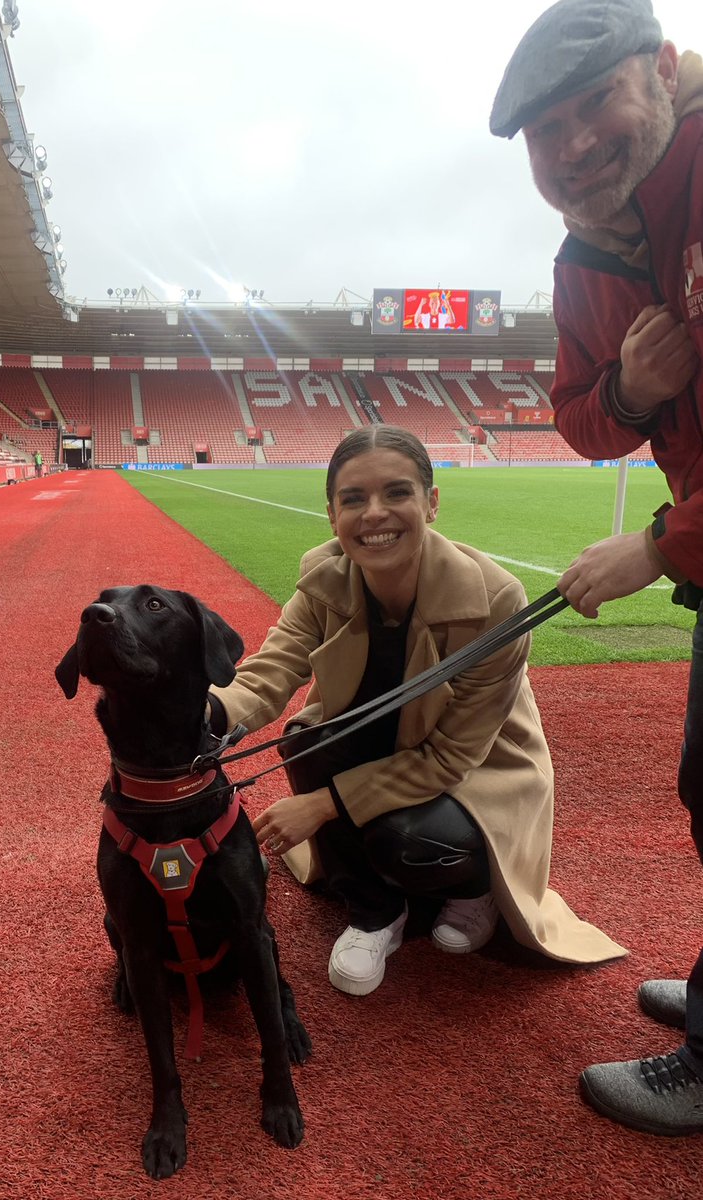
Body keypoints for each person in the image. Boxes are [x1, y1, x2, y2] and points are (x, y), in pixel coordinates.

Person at [491, 0, 703, 1134]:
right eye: (545, 133)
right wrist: (632, 392)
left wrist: (658, 547)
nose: (572, 146)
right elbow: (581, 416)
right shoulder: (584, 259)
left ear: (665, 72)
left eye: (596, 106)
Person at [209, 425, 624, 1000]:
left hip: (478, 771)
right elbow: (268, 673)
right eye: (353, 499)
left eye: (397, 493)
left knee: (410, 843)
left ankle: (477, 888)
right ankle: (376, 912)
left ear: (431, 502)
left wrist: (321, 806)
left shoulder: (495, 598)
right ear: (332, 516)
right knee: (306, 740)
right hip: (387, 747)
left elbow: (452, 754)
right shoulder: (322, 576)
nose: (374, 514)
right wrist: (205, 711)